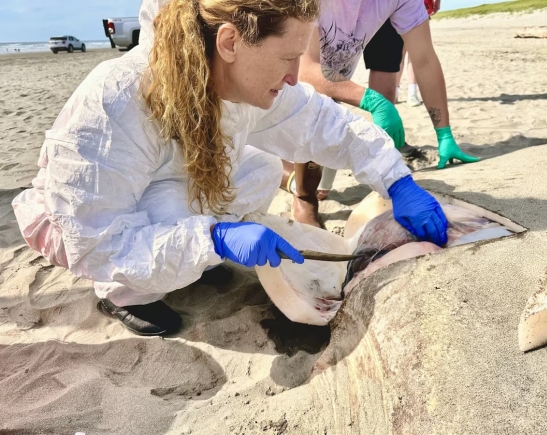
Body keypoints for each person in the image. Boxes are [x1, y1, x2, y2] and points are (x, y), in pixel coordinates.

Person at [12, 0, 449, 336]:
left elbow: (323, 122)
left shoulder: (239, 74)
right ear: (229, 42)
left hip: (168, 187)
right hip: (91, 223)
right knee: (169, 222)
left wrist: (396, 180)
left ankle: (191, 256)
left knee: (258, 170)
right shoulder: (115, 99)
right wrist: (212, 237)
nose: (295, 76)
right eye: (285, 59)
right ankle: (123, 295)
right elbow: (94, 240)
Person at [284, 0, 480, 228]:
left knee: (318, 170)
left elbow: (424, 59)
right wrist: (372, 100)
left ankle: (299, 185)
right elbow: (304, 70)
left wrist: (444, 133)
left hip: (327, 84)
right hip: (267, 81)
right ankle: (303, 199)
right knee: (272, 153)